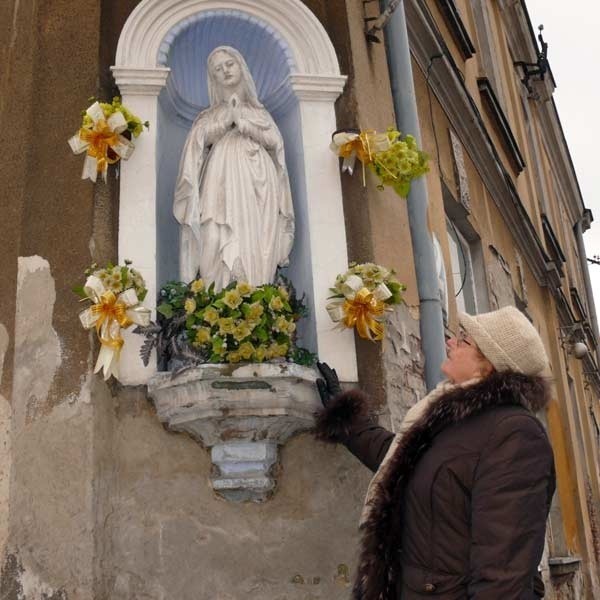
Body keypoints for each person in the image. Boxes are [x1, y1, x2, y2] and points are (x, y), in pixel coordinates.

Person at [315, 306, 555, 599]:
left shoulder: (514, 434)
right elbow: (403, 463)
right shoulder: (453, 417)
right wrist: (348, 421)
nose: (450, 342)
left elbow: (503, 572)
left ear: (489, 364)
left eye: (464, 340)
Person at [173, 46, 295, 289]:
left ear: (241, 67)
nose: (225, 70)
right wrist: (225, 121)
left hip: (258, 183)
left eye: (229, 64)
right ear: (212, 77)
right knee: (213, 237)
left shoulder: (260, 113)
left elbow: (275, 144)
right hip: (219, 182)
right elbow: (195, 147)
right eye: (218, 68)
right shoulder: (209, 115)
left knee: (254, 238)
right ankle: (215, 299)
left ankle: (256, 295)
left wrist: (243, 122)